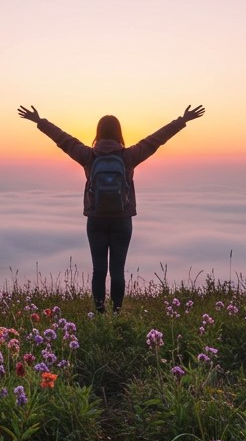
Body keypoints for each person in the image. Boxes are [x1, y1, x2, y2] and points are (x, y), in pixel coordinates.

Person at [18, 104, 206, 313]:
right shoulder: (128, 157)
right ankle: (116, 313)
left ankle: (99, 314)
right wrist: (182, 120)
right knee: (117, 270)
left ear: (98, 132)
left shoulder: (89, 156)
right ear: (119, 133)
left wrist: (39, 121)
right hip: (122, 220)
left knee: (99, 270)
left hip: (96, 219)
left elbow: (64, 139)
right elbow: (155, 140)